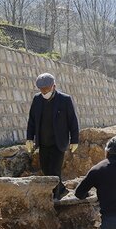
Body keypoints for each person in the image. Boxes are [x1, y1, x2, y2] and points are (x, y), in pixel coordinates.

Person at [26, 73, 79, 201]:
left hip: (58, 142)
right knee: (45, 169)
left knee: (55, 171)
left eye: (46, 89)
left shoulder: (65, 99)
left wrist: (75, 140)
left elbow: (73, 120)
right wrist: (29, 138)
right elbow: (32, 120)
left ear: (53, 86)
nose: (44, 92)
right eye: (41, 90)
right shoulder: (37, 100)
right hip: (43, 142)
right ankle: (61, 190)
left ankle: (55, 198)